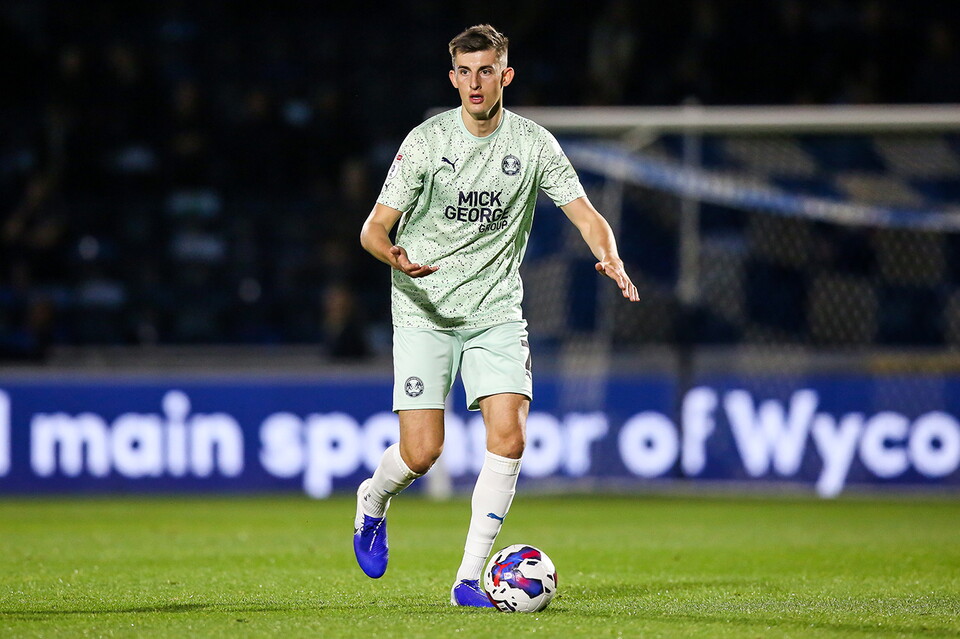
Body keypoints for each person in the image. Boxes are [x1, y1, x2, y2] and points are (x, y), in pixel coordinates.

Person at [355, 24, 639, 607]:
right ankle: (372, 502)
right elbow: (373, 229)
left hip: (495, 312)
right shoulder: (427, 141)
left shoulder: (533, 144)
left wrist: (607, 253)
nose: (475, 82)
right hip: (423, 310)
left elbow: (586, 215)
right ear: (453, 77)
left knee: (508, 438)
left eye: (487, 70)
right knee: (422, 453)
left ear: (504, 75)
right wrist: (395, 256)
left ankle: (467, 580)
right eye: (464, 72)